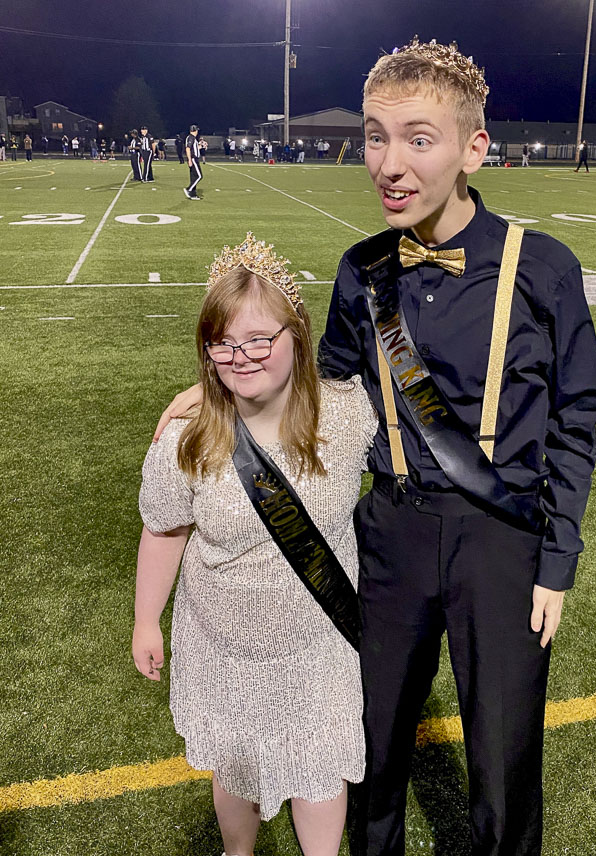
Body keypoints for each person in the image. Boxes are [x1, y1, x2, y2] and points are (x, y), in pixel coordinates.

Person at [154, 37, 596, 856]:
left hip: (501, 543)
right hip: (387, 536)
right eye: (373, 136)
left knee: (503, 758)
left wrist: (556, 556)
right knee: (373, 748)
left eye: (418, 138)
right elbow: (318, 391)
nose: (388, 162)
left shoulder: (543, 266)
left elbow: (577, 415)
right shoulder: (361, 271)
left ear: (474, 148)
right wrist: (217, 387)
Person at [134, 232, 376, 856]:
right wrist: (146, 622)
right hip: (223, 642)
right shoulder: (188, 437)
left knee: (321, 764)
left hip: (318, 641)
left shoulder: (348, 417)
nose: (241, 357)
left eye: (260, 339)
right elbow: (164, 530)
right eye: (223, 343)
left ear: (298, 335)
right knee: (236, 764)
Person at [184, 124, 202, 200]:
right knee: (199, 176)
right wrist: (190, 159)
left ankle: (193, 194)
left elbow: (194, 149)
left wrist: (201, 146)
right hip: (194, 159)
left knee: (194, 177)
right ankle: (189, 189)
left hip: (194, 158)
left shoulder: (192, 138)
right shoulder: (191, 138)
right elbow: (188, 149)